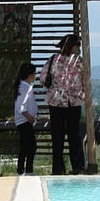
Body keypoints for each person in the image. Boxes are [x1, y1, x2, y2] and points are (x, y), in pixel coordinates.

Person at [40, 34, 85, 175]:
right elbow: (85, 80)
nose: (79, 48)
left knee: (57, 136)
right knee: (74, 135)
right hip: (74, 102)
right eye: (77, 45)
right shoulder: (79, 61)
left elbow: (43, 78)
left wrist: (55, 88)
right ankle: (77, 166)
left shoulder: (54, 59)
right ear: (72, 46)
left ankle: (58, 168)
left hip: (55, 101)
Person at [14, 63, 38, 175]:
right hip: (24, 120)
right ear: (29, 75)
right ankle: (25, 170)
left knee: (28, 145)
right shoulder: (24, 87)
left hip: (26, 120)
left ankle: (25, 169)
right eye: (34, 73)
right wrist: (29, 117)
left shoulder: (25, 86)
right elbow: (20, 106)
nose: (35, 75)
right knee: (29, 146)